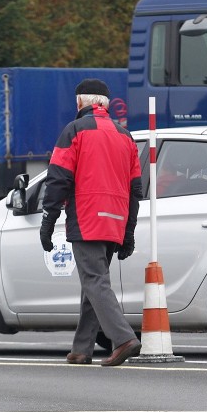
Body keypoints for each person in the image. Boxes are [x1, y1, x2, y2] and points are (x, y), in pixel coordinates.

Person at [40, 78, 143, 367]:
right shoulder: (126, 136)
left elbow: (58, 178)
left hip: (86, 218)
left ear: (79, 103)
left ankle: (123, 339)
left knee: (94, 280)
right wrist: (129, 231)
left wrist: (48, 219)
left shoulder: (74, 131)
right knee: (93, 281)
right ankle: (82, 348)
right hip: (115, 221)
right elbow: (136, 189)